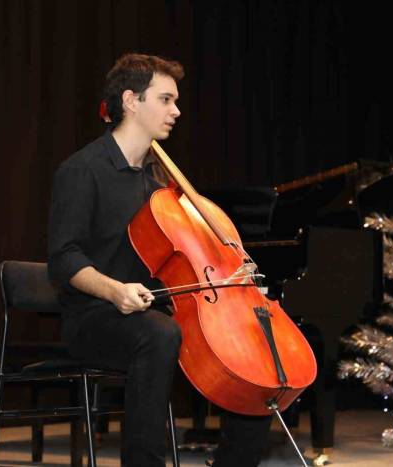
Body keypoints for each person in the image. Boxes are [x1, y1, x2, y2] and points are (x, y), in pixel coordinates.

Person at [48, 53, 272, 467]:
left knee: (251, 343)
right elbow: (62, 259)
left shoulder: (159, 185)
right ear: (132, 101)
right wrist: (114, 290)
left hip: (154, 311)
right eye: (166, 100)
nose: (177, 111)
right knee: (160, 335)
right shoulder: (83, 170)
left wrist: (230, 277)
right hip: (94, 319)